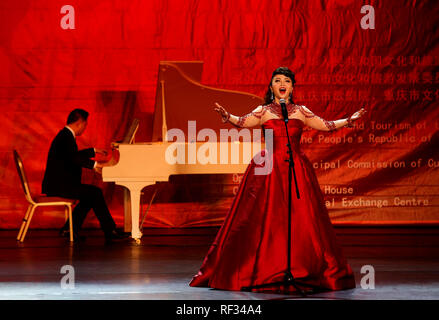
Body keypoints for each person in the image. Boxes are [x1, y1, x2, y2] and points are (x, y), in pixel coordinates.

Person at [189, 67, 366, 293]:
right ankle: (264, 266)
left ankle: (300, 267)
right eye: (277, 80)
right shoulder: (263, 111)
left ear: (292, 87)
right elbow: (242, 122)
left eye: (287, 81)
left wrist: (349, 120)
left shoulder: (301, 111)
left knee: (301, 219)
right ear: (271, 86)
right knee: (265, 219)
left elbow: (326, 125)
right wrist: (227, 117)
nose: (282, 84)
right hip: (268, 169)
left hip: (296, 170)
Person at [42, 108, 126, 243]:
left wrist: (93, 151)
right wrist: (95, 165)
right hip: (60, 185)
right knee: (95, 193)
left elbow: (72, 155)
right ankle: (110, 230)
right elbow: (73, 158)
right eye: (85, 124)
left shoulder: (65, 136)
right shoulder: (66, 137)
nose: (85, 128)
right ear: (79, 123)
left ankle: (69, 229)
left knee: (90, 195)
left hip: (61, 183)